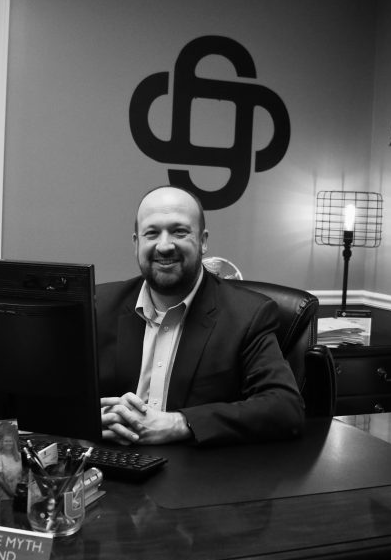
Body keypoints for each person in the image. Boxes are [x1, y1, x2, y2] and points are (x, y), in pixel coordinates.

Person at [97, 185, 305, 447]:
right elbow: (54, 396)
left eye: (179, 231)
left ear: (203, 241)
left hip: (198, 476)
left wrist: (179, 423)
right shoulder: (100, 305)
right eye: (151, 233)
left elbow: (285, 409)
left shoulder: (247, 315)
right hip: (108, 471)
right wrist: (92, 417)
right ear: (136, 243)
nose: (164, 246)